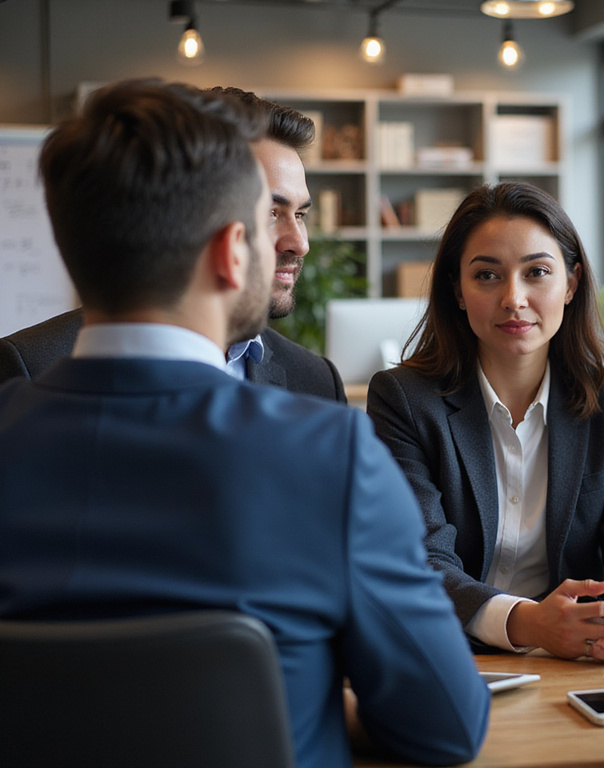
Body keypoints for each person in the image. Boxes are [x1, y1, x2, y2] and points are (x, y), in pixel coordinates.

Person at [0, 79, 488, 768]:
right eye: (268, 219)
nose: (294, 244)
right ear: (233, 252)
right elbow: (447, 726)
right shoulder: (330, 455)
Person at [367, 181, 604, 663]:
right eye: (487, 276)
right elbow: (418, 558)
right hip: (445, 654)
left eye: (537, 272)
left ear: (570, 284)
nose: (514, 298)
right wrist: (529, 623)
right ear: (457, 291)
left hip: (574, 658)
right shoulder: (403, 400)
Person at [0, 87, 345, 403]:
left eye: (299, 214)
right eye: (270, 212)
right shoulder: (30, 366)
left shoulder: (316, 381)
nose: (299, 244)